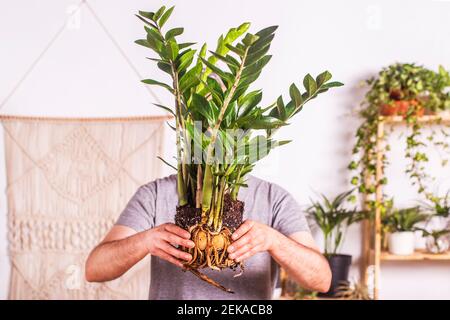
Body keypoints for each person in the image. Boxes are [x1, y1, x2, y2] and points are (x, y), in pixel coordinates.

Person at [85, 174, 331, 299]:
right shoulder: (156, 194)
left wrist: (275, 241)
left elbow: (321, 280)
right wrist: (144, 241)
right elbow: (95, 269)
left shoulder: (274, 198)